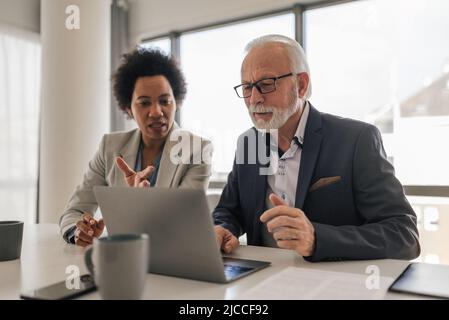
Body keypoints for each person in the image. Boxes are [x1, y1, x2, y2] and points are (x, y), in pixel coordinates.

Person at [213, 34, 420, 262]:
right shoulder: (248, 143)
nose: (254, 99)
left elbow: (404, 236)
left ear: (301, 85)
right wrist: (223, 228)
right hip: (258, 279)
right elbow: (229, 212)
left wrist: (316, 239)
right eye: (247, 87)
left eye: (265, 84)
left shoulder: (356, 139)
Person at [60, 48, 212, 246]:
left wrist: (139, 202)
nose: (157, 112)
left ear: (177, 102)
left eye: (165, 101)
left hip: (173, 259)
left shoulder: (197, 150)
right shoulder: (110, 147)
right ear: (128, 108)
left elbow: (180, 222)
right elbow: (75, 210)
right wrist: (79, 230)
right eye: (144, 103)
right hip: (121, 260)